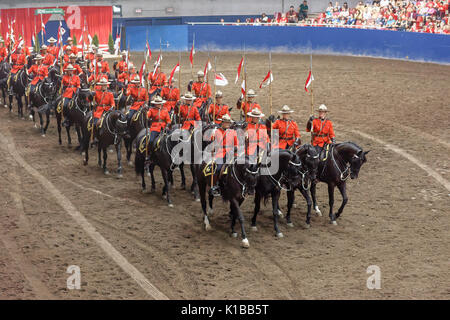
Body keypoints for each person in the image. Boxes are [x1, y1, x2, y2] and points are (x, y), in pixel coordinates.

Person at [209, 114, 238, 197]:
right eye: (226, 123)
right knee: (218, 168)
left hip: (231, 153)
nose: (227, 124)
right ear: (222, 123)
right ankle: (216, 185)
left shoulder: (233, 132)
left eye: (229, 123)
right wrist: (213, 134)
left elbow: (236, 144)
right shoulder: (217, 131)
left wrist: (235, 152)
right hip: (220, 153)